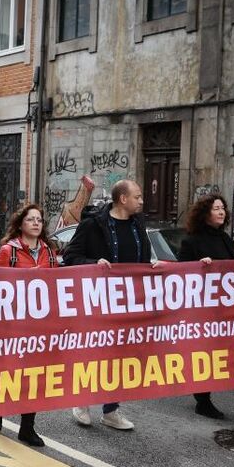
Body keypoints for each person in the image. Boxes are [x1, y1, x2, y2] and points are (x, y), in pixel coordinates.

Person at [64, 179, 155, 431]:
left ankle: (111, 409)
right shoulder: (93, 225)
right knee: (94, 352)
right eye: (137, 196)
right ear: (123, 199)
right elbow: (70, 257)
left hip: (128, 304)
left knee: (119, 357)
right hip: (98, 302)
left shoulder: (138, 224)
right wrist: (94, 263)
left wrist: (151, 268)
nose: (141, 201)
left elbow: (141, 261)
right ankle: (81, 400)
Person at [0, 203, 59, 447]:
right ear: (21, 224)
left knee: (34, 377)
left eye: (39, 219)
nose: (36, 223)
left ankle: (27, 427)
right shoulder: (9, 251)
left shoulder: (50, 251)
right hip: (11, 324)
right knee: (7, 372)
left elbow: (57, 284)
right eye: (31, 219)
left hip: (38, 325)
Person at [178, 194, 234, 419]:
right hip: (202, 308)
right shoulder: (192, 241)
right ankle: (202, 400)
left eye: (223, 208)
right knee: (204, 352)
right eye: (216, 208)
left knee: (216, 353)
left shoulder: (225, 238)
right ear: (205, 213)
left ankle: (201, 391)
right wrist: (198, 266)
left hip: (223, 307)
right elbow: (181, 271)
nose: (222, 212)